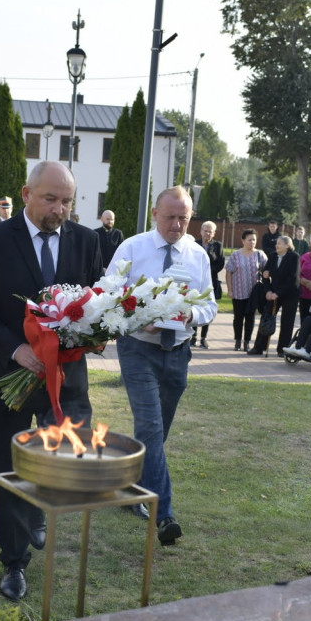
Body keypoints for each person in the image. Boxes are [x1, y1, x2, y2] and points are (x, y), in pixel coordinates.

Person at [0, 161, 102, 601]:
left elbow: (99, 301)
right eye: (50, 199)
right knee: (10, 468)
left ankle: (39, 512)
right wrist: (15, 349)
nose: (59, 209)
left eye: (66, 201)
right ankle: (14, 561)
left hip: (67, 379)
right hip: (12, 377)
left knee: (64, 457)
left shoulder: (87, 240)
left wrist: (92, 336)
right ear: (26, 194)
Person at [108, 186, 217, 546]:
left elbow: (211, 306)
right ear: (155, 214)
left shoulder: (198, 255)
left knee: (156, 432)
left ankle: (130, 485)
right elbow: (108, 294)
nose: (176, 225)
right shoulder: (132, 249)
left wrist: (191, 314)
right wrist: (141, 316)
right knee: (151, 427)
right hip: (138, 348)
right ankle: (164, 514)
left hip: (178, 352)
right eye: (170, 217)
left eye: (183, 218)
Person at [249, 235, 300, 356]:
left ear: (287, 245)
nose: (277, 246)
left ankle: (282, 349)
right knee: (266, 317)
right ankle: (259, 347)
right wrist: (268, 291)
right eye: (276, 243)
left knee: (287, 321)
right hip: (273, 293)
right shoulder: (272, 256)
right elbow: (264, 275)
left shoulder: (294, 257)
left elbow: (292, 278)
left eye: (280, 244)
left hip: (290, 293)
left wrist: (277, 292)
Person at [224, 229, 267, 351]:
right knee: (238, 317)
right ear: (243, 240)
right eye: (249, 240)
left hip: (253, 293)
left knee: (250, 317)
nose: (252, 242)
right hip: (238, 291)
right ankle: (237, 340)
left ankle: (247, 342)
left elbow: (266, 271)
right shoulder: (235, 255)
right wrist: (230, 289)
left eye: (254, 239)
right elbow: (229, 272)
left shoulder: (260, 255)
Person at [191, 220, 224, 348]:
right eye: (206, 231)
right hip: (196, 280)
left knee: (206, 308)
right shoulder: (195, 244)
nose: (208, 233)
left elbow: (220, 263)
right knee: (194, 306)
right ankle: (193, 336)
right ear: (201, 231)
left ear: (214, 233)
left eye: (210, 231)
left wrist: (207, 271)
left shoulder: (217, 246)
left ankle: (203, 337)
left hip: (211, 281)